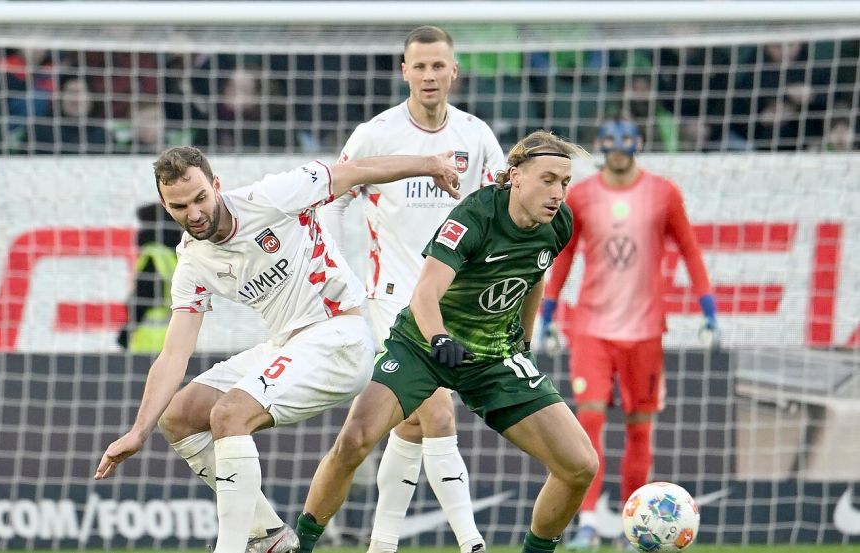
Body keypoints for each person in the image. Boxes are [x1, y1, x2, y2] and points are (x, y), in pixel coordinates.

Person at [93, 145, 463, 553]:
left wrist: (430, 164)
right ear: (166, 206)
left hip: (340, 334)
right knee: (178, 416)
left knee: (230, 414)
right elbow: (173, 354)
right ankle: (269, 536)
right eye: (180, 206)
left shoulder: (273, 197)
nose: (194, 213)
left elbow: (357, 170)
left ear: (216, 185)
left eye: (200, 198)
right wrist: (138, 431)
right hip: (289, 343)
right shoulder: (193, 262)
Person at [295, 130, 599, 553]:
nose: (558, 193)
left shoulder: (559, 223)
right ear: (516, 176)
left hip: (494, 356)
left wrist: (524, 343)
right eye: (548, 180)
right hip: (423, 346)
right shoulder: (475, 216)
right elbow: (425, 292)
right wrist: (438, 338)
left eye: (564, 182)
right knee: (354, 441)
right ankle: (301, 544)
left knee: (581, 466)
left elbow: (535, 276)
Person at [320, 25, 505, 553]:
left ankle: (382, 543)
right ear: (404, 72)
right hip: (392, 299)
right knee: (439, 411)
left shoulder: (476, 136)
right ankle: (472, 542)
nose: (428, 75)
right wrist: (338, 271)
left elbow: (498, 210)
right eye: (419, 66)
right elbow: (332, 196)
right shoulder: (376, 134)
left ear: (454, 71)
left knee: (410, 425)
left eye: (437, 65)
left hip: (453, 305)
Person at [539, 119, 719, 550]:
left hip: (645, 330)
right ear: (601, 145)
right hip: (592, 328)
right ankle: (586, 523)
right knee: (589, 420)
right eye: (610, 141)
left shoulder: (663, 193)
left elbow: (690, 249)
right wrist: (547, 312)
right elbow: (564, 256)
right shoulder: (581, 196)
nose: (618, 149)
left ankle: (629, 529)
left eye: (625, 141)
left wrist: (708, 308)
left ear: (638, 143)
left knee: (639, 429)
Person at [116, 203, 183, 352]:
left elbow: (144, 296)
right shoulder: (174, 256)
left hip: (150, 339)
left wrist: (125, 333)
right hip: (175, 336)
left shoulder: (153, 255)